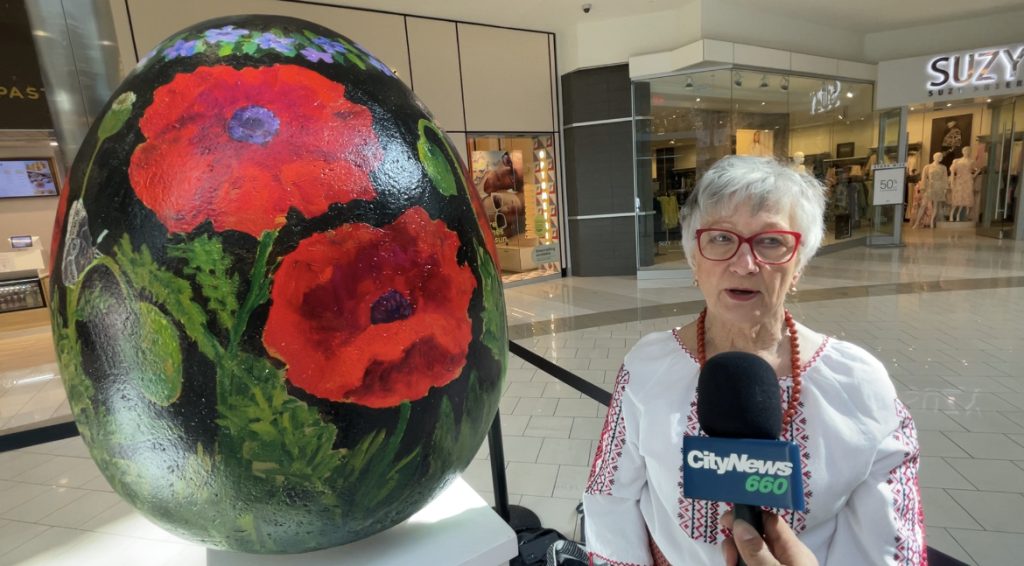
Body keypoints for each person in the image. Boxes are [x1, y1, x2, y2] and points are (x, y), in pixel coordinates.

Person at [583, 156, 925, 566]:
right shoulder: (648, 366)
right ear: (695, 259)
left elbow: (890, 544)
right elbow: (610, 496)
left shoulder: (858, 384)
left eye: (771, 242)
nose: (744, 264)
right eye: (721, 239)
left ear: (799, 264)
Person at [912, 152, 949, 229]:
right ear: (934, 157)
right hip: (930, 187)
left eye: (941, 156)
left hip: (939, 187)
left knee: (935, 205)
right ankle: (917, 222)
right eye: (939, 156)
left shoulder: (943, 167)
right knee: (923, 205)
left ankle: (932, 221)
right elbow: (924, 178)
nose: (940, 158)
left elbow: (945, 178)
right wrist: (923, 188)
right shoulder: (927, 167)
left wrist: (945, 188)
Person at [948, 146, 977, 222]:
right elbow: (952, 172)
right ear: (962, 151)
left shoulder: (971, 161)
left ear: (970, 152)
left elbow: (976, 169)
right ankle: (951, 214)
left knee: (964, 199)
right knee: (956, 197)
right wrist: (951, 182)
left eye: (968, 150)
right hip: (959, 180)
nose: (966, 152)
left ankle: (958, 216)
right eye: (965, 150)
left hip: (967, 180)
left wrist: (973, 175)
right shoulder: (957, 161)